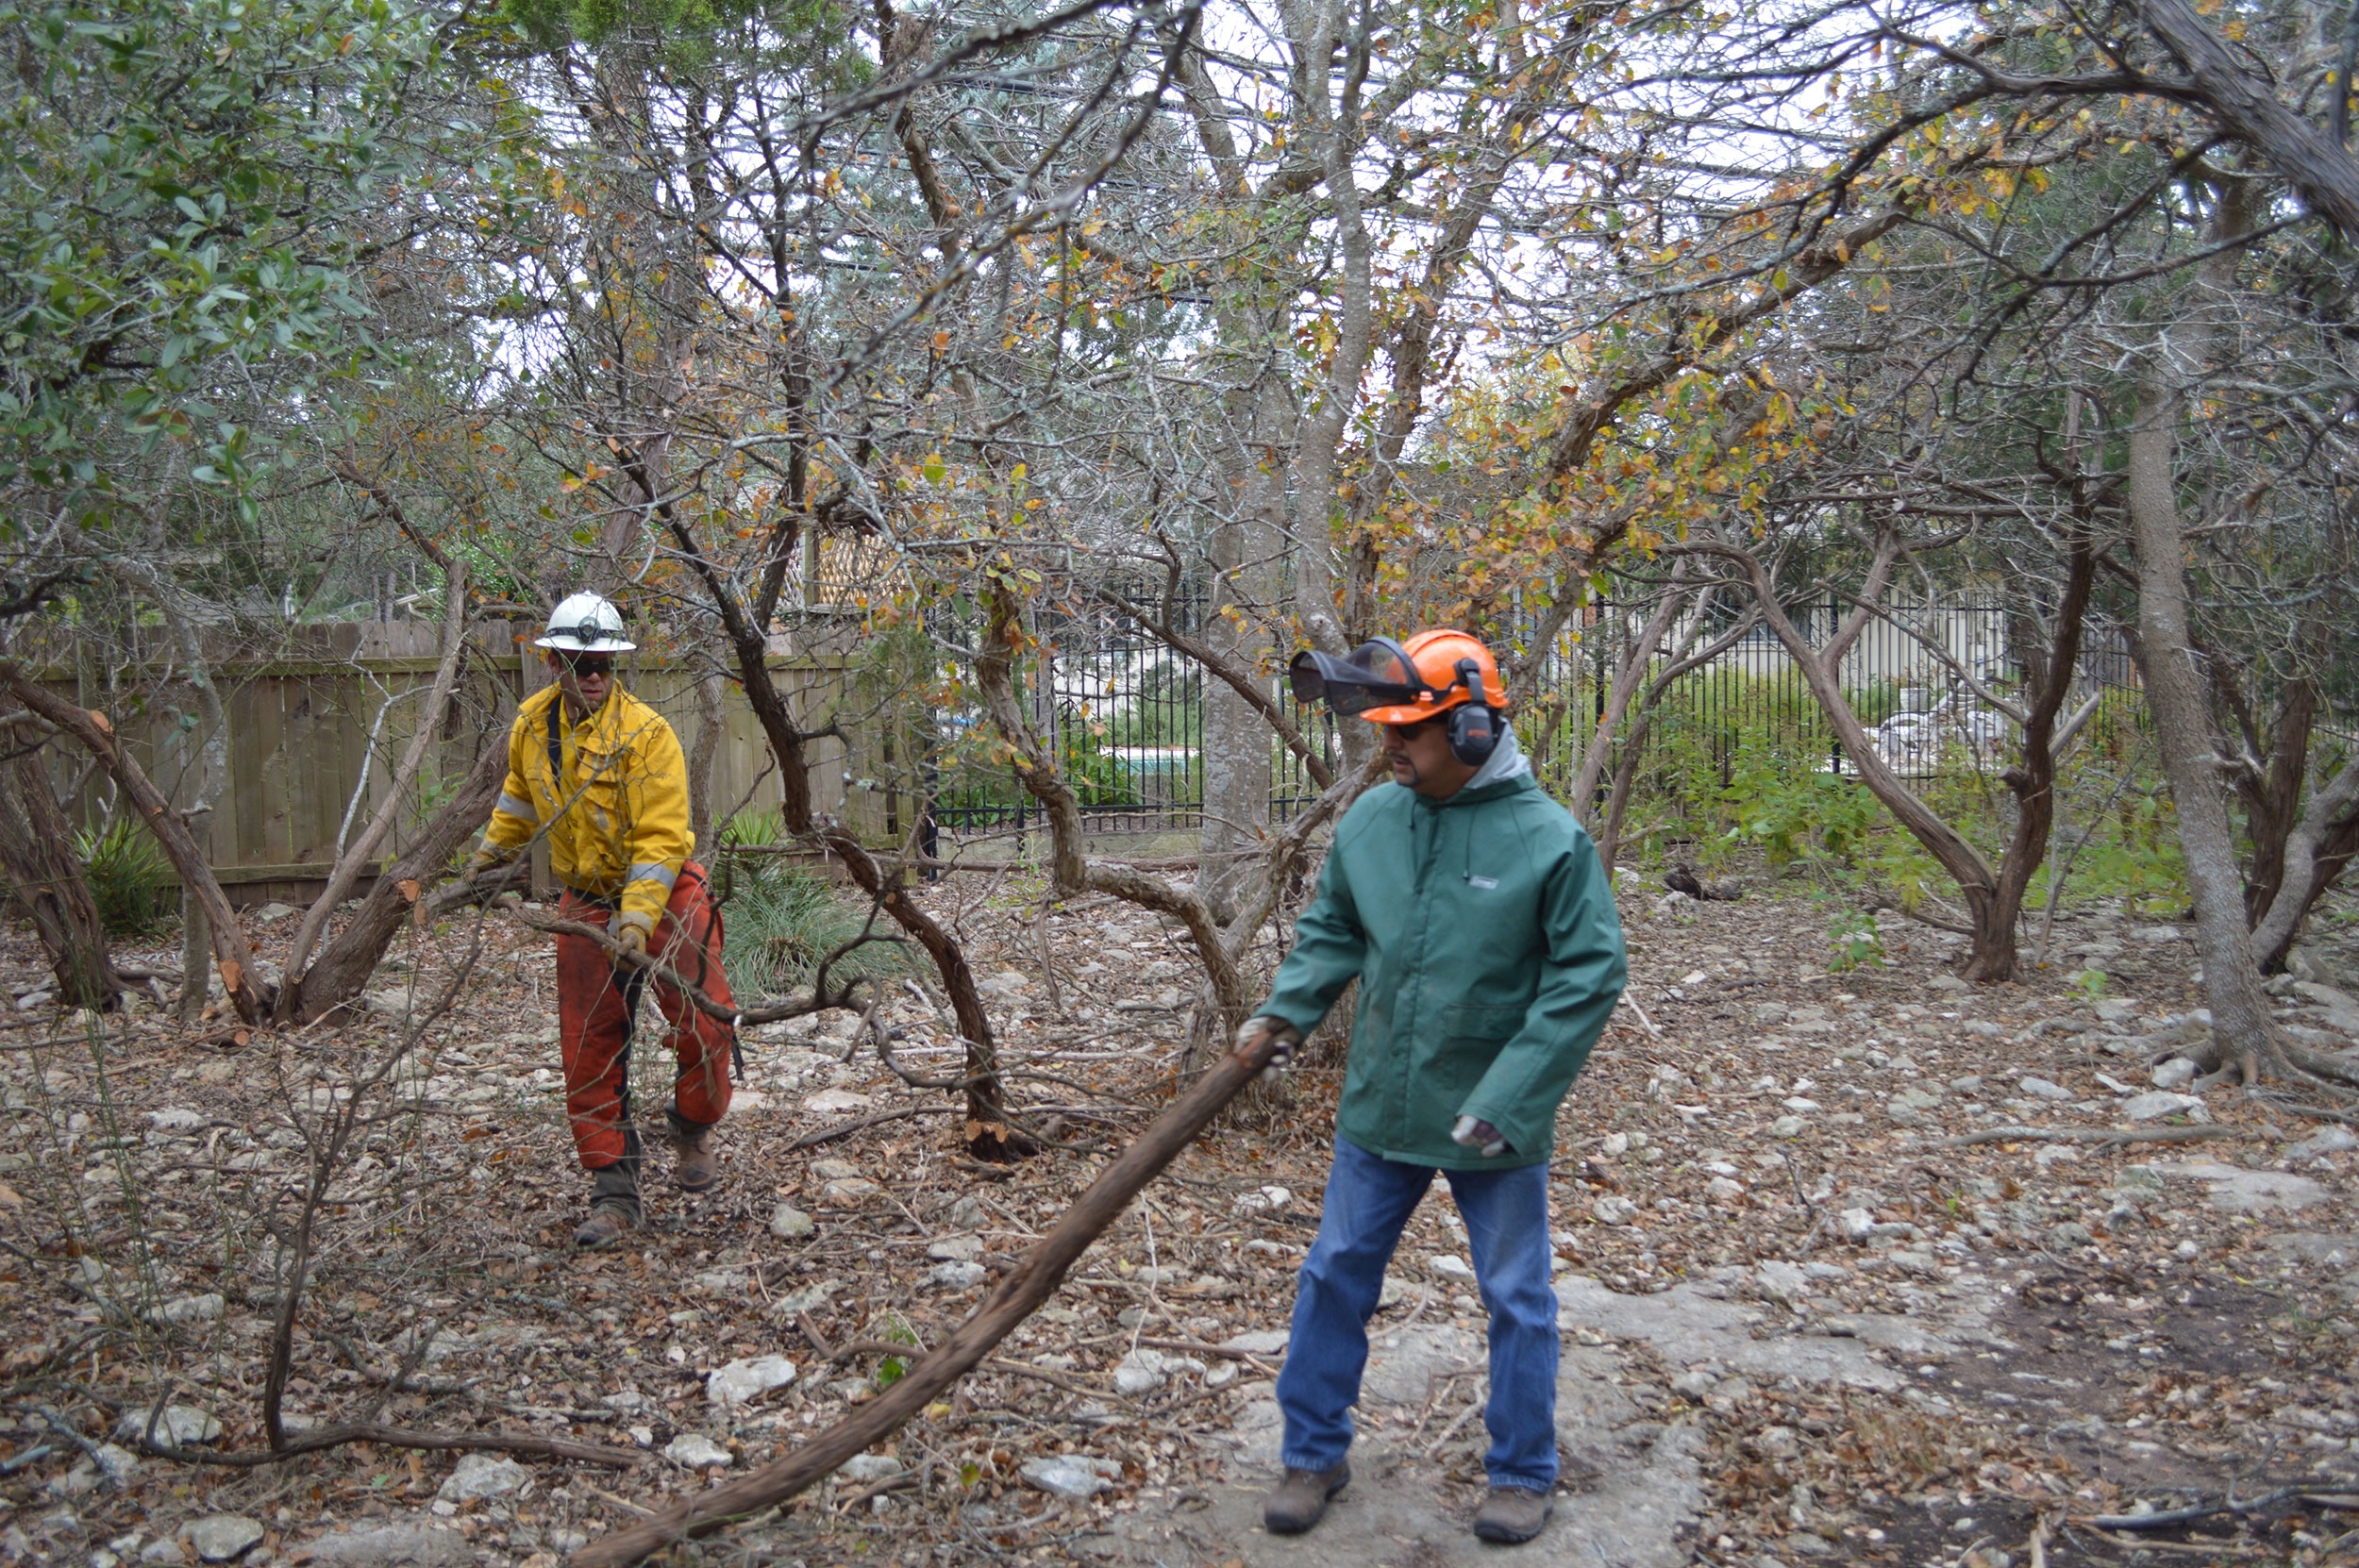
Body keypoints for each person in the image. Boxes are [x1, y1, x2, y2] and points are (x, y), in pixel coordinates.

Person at [1241, 627, 1627, 1545]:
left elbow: (1589, 973)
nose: (1390, 749)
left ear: (1473, 733)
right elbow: (1334, 927)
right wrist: (1283, 1012)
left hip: (1494, 1121)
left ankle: (1523, 1473)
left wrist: (1511, 1097)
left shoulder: (1548, 842)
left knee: (1517, 1297)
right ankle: (1311, 1453)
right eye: (1387, 731)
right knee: (1334, 1273)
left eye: (1407, 734)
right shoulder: (1374, 821)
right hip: (1382, 1102)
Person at [467, 592, 739, 1249]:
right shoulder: (534, 726)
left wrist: (638, 922)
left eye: (603, 664)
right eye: (579, 662)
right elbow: (519, 801)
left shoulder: (646, 734)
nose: (592, 675)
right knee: (588, 1045)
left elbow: (660, 838)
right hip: (585, 898)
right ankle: (614, 1189)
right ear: (558, 662)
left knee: (706, 1020)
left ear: (617, 669)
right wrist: (488, 864)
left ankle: (692, 1123)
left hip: (665, 891)